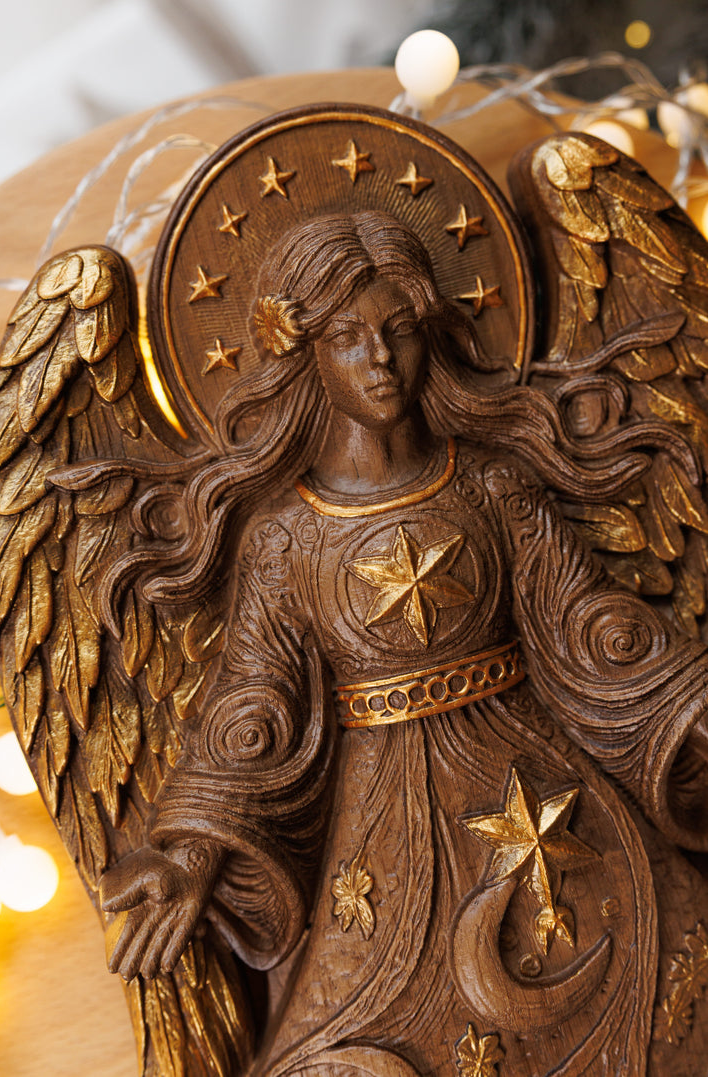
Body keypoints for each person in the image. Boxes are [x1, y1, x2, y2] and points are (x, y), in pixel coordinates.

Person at [101, 211, 708, 1076]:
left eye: (400, 329)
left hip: (552, 798)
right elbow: (252, 709)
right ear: (306, 354)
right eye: (348, 337)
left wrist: (689, 705)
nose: (380, 359)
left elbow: (589, 625)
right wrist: (193, 854)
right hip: (383, 847)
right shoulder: (285, 538)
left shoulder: (492, 484)